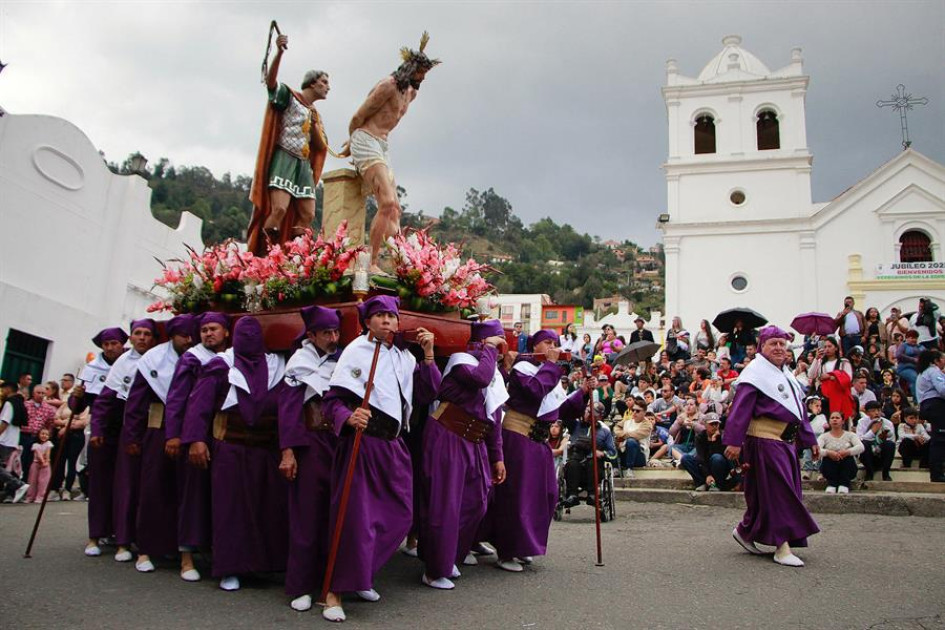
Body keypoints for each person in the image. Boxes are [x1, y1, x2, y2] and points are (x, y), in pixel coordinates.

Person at [320, 296, 440, 622]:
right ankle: (334, 593)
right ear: (367, 321)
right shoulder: (356, 351)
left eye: (392, 316)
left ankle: (361, 573)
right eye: (380, 316)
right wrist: (347, 416)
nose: (387, 321)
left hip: (395, 445)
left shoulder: (404, 357)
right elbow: (332, 401)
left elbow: (429, 393)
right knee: (356, 521)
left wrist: (428, 355)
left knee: (401, 515)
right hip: (364, 442)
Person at [182, 316, 288, 593]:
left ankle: (263, 564)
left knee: (266, 508)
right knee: (230, 510)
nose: (249, 340)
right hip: (230, 448)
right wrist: (196, 440)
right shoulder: (219, 365)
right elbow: (199, 404)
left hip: (265, 449)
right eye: (244, 335)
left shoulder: (277, 365)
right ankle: (229, 568)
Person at [418, 319, 508, 591]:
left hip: (474, 440)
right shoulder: (462, 362)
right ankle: (434, 569)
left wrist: (497, 456)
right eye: (497, 340)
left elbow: (494, 417)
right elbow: (479, 377)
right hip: (448, 434)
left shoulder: (491, 369)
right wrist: (490, 350)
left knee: (476, 502)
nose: (503, 346)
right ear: (482, 342)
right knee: (445, 505)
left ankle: (449, 557)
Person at [491, 329, 588, 574]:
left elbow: (562, 410)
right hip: (519, 436)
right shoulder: (524, 368)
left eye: (555, 342)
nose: (552, 346)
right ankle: (507, 550)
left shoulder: (550, 373)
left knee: (546, 494)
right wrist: (553, 366)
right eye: (547, 342)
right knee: (518, 496)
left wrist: (583, 392)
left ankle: (524, 544)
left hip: (539, 442)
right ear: (535, 345)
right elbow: (535, 391)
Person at [342, 32, 440, 272]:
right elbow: (358, 116)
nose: (422, 79)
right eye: (420, 73)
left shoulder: (411, 93)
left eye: (425, 75)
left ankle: (403, 263)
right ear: (410, 68)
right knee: (386, 202)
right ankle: (371, 262)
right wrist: (352, 142)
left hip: (383, 145)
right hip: (366, 139)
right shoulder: (387, 86)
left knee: (395, 208)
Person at [723, 325, 820, 568]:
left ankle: (746, 531)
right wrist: (734, 441)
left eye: (781, 343)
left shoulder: (786, 374)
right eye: (773, 343)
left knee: (769, 493)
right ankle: (782, 547)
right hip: (764, 442)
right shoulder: (754, 373)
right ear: (761, 347)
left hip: (786, 443)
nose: (778, 347)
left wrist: (810, 439)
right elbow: (741, 409)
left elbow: (799, 412)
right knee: (779, 494)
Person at [278, 306, 343, 610]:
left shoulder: (344, 360)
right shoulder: (298, 363)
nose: (332, 338)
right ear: (311, 335)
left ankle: (337, 583)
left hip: (339, 443)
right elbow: (289, 410)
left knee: (341, 515)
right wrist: (288, 451)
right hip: (310, 444)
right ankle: (302, 586)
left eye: (336, 332)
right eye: (326, 333)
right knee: (307, 516)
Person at [121, 314, 195, 574]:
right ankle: (145, 549)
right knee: (152, 491)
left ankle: (178, 548)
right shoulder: (152, 361)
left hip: (188, 432)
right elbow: (136, 403)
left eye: (190, 336)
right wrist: (132, 436)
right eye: (183, 336)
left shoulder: (197, 357)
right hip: (157, 432)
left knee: (182, 493)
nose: (188, 340)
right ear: (172, 336)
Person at [247, 32, 330, 254]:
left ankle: (293, 256)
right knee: (280, 209)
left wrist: (313, 126)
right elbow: (271, 83)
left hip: (303, 165)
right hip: (285, 158)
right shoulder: (290, 96)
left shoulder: (315, 115)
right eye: (324, 82)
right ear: (312, 83)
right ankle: (263, 256)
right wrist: (279, 53)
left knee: (308, 214)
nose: (327, 87)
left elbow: (321, 146)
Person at [164, 312, 231, 582]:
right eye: (204, 330)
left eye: (213, 329)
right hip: (195, 434)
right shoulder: (192, 358)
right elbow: (177, 398)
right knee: (192, 496)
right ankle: (186, 558)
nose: (208, 334)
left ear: (226, 332)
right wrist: (177, 435)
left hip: (221, 435)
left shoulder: (231, 358)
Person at [68, 325, 130, 558]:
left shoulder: (131, 362)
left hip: (126, 429)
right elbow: (77, 408)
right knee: (100, 483)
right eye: (106, 344)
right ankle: (96, 532)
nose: (111, 348)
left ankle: (120, 530)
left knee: (123, 484)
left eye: (115, 343)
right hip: (100, 432)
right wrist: (76, 396)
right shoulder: (91, 369)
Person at [561, 400, 617, 507]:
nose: (589, 416)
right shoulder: (574, 425)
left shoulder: (605, 431)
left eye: (593, 415)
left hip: (594, 466)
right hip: (576, 462)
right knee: (572, 463)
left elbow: (613, 454)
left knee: (593, 463)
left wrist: (603, 453)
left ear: (599, 417)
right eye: (588, 412)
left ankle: (592, 495)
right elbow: (565, 414)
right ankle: (572, 495)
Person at [681, 414, 739, 491]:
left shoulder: (723, 436)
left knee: (716, 458)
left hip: (719, 466)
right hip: (705, 466)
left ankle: (716, 485)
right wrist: (707, 474)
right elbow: (701, 456)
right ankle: (702, 483)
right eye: (712, 424)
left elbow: (722, 454)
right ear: (705, 425)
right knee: (685, 458)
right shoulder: (700, 437)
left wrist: (714, 440)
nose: (714, 426)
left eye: (716, 424)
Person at [915, 349, 945, 482]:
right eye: (943, 358)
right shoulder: (933, 371)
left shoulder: (922, 373)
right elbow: (943, 389)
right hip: (935, 406)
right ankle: (937, 474)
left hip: (927, 406)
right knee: (939, 440)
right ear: (936, 361)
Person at [817, 411, 864, 493]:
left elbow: (861, 447)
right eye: (832, 418)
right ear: (829, 421)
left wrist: (847, 452)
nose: (835, 420)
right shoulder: (823, 436)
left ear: (842, 421)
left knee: (848, 458)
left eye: (837, 418)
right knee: (828, 458)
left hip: (847, 465)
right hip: (829, 465)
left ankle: (844, 484)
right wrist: (828, 452)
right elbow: (817, 449)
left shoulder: (851, 435)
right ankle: (832, 484)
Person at [0, 381, 30, 503]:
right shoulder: (20, 403)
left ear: (8, 389)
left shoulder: (9, 403)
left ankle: (18, 484)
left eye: (3, 389)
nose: (2, 392)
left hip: (4, 440)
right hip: (12, 440)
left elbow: (5, 422)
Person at [21, 384, 56, 483]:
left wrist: (45, 438)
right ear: (33, 393)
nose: (41, 395)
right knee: (20, 460)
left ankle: (27, 485)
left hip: (37, 439)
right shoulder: (25, 405)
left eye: (43, 393)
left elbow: (50, 424)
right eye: (38, 393)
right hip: (24, 436)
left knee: (32, 463)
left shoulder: (49, 409)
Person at [855, 400, 896, 481]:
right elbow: (859, 440)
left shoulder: (887, 423)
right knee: (864, 444)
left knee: (890, 444)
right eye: (873, 411)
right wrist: (872, 431)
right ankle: (869, 473)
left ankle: (886, 473)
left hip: (881, 454)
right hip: (868, 455)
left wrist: (884, 437)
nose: (877, 413)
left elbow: (892, 440)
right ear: (866, 413)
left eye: (879, 410)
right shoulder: (862, 422)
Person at [25, 427, 53, 502]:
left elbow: (48, 453)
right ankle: (30, 497)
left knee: (43, 481)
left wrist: (46, 462)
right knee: (32, 480)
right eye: (42, 434)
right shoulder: (35, 445)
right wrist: (42, 461)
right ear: (38, 435)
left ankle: (40, 497)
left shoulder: (49, 444)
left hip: (46, 464)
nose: (44, 436)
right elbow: (38, 454)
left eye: (47, 434)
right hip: (36, 463)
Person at [896, 330, 922, 399]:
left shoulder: (920, 346)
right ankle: (916, 399)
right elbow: (898, 355)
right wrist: (913, 359)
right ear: (907, 338)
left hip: (918, 368)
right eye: (912, 338)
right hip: (905, 368)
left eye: (915, 338)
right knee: (915, 378)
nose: (914, 340)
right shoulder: (903, 346)